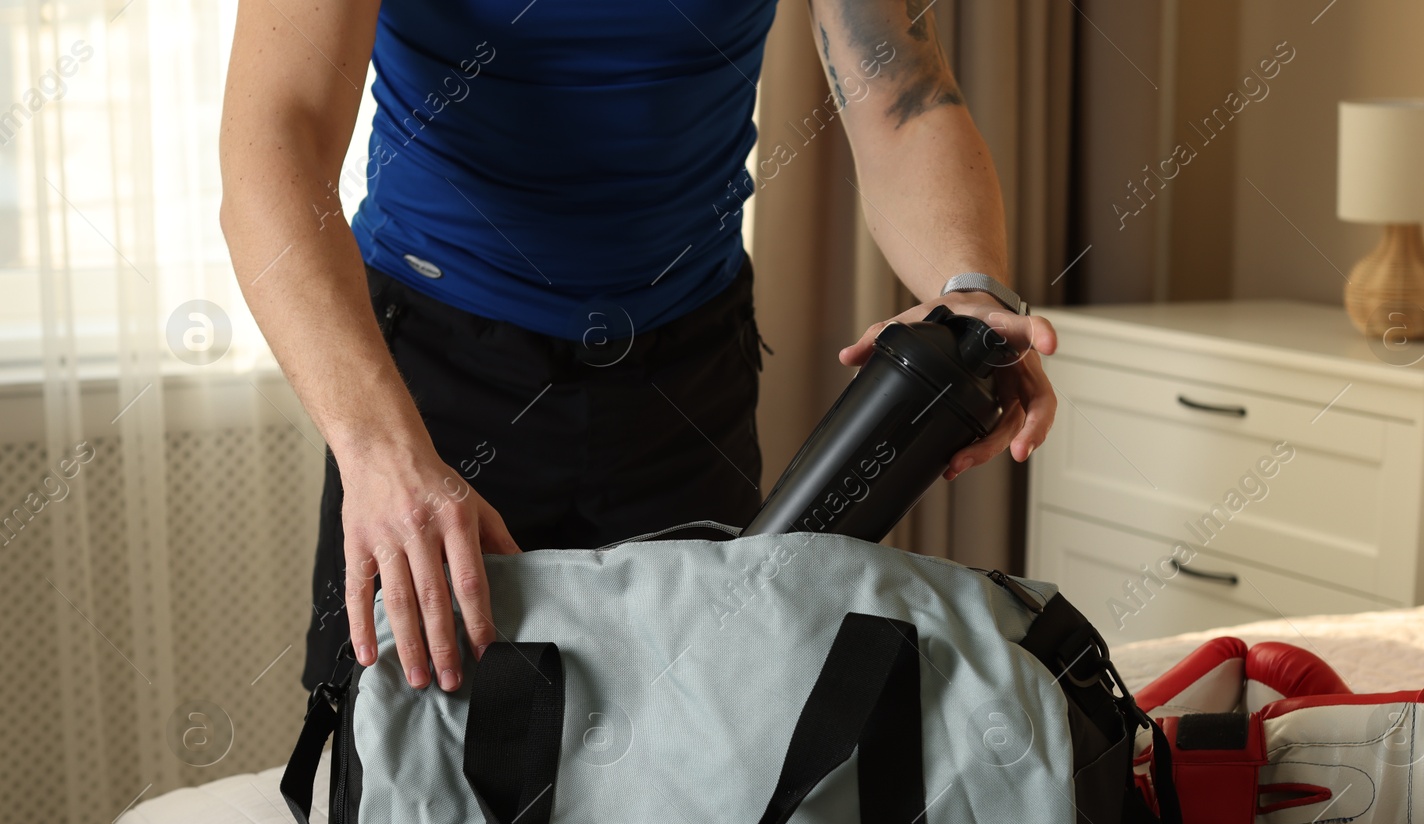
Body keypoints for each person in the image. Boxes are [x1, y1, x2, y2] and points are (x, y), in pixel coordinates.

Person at [219, 0, 1058, 695]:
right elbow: (272, 144)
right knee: (401, 781)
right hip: (436, 380)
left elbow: (903, 91)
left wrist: (968, 289)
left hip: (684, 375)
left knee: (707, 745)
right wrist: (376, 447)